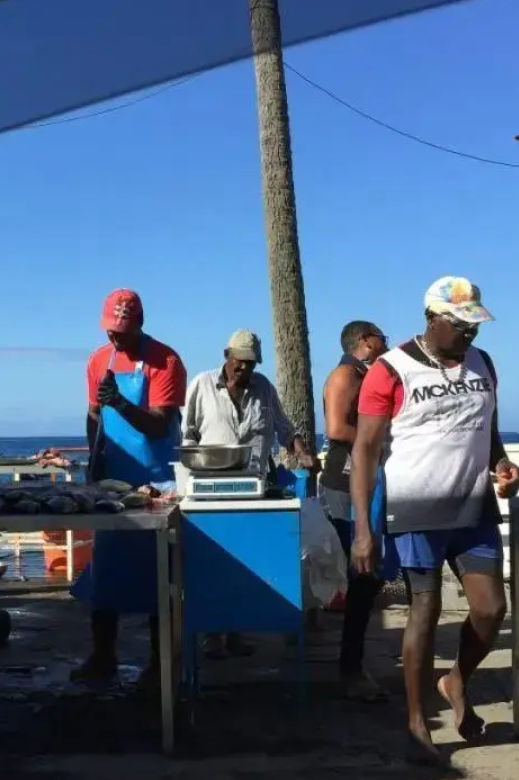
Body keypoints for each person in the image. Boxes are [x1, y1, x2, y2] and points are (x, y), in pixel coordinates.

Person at [350, 277, 519, 765]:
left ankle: (456, 679)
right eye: (461, 324)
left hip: (473, 507)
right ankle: (416, 720)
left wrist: (503, 465)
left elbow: (487, 428)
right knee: (423, 611)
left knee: (491, 609)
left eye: (475, 324)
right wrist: (364, 528)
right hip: (416, 510)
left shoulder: (483, 364)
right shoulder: (390, 369)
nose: (471, 334)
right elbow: (364, 449)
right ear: (432, 319)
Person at [71, 289, 186, 684]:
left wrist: (119, 403)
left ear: (139, 323)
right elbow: (92, 414)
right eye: (110, 330)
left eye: (123, 330)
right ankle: (103, 656)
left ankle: (161, 665)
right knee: (106, 573)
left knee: (161, 576)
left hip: (157, 480)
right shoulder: (97, 360)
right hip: (112, 481)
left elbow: (158, 423)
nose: (115, 338)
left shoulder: (165, 361)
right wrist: (94, 455)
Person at [182, 328, 314, 659]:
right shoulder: (201, 385)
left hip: (254, 487)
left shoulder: (263, 388)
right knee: (215, 563)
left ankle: (237, 631)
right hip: (211, 491)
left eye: (251, 364)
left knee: (247, 563)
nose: (244, 369)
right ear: (226, 356)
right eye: (239, 362)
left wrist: (301, 451)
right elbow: (188, 435)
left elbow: (284, 428)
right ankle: (213, 633)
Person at [318, 321, 389, 701]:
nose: (387, 342)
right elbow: (335, 429)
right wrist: (379, 438)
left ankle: (354, 661)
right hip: (344, 485)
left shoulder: (369, 375)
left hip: (368, 481)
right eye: (382, 336)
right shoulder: (346, 374)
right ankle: (350, 667)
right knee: (360, 577)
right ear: (365, 341)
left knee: (369, 578)